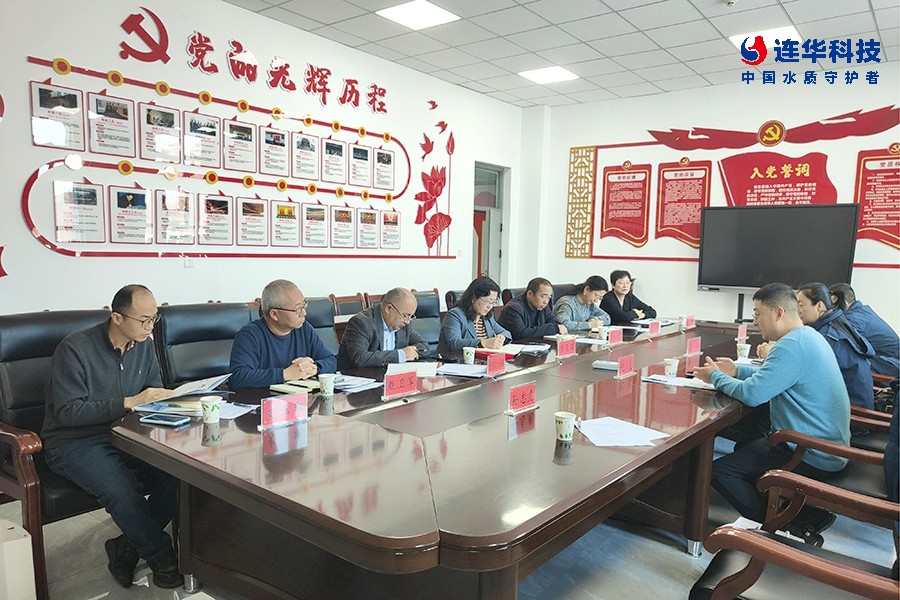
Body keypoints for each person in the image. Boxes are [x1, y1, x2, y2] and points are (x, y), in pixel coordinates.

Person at [41, 285, 184, 589]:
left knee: (180, 473)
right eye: (143, 320)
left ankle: (128, 545)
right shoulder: (75, 348)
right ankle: (161, 555)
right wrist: (128, 402)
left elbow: (151, 393)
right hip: (73, 441)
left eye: (154, 319)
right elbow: (67, 412)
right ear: (117, 317)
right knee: (121, 489)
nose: (150, 327)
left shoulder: (143, 343)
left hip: (126, 434)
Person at [692, 283, 850, 546]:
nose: (755, 321)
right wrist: (737, 371)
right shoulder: (807, 336)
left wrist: (716, 377)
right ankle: (808, 514)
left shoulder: (790, 345)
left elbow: (752, 394)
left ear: (778, 312)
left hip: (810, 450)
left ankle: (789, 526)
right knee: (748, 443)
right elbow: (779, 376)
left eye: (757, 314)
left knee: (720, 472)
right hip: (828, 446)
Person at [229, 279, 336, 388]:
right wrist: (285, 374)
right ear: (274, 314)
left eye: (304, 305)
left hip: (301, 396)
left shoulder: (304, 328)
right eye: (297, 309)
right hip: (264, 397)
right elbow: (238, 377)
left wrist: (315, 367)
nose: (304, 313)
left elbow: (331, 360)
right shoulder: (249, 335)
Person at [796, 283, 875, 411]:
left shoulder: (828, 336)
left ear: (819, 306)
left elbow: (806, 374)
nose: (798, 310)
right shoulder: (837, 322)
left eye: (801, 305)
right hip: (855, 403)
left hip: (851, 412)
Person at [337, 287, 429, 370]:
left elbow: (424, 347)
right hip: (359, 378)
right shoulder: (362, 323)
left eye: (411, 316)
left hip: (390, 377)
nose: (408, 321)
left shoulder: (404, 325)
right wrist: (401, 355)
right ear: (388, 308)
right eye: (405, 315)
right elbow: (360, 358)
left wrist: (410, 352)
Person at [829, 282, 899, 378]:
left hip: (888, 365)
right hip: (887, 361)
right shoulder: (861, 311)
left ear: (842, 302)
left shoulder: (854, 320)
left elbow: (839, 348)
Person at [438, 276, 511, 354]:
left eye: (493, 302)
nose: (490, 306)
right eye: (488, 301)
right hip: (455, 359)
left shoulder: (487, 317)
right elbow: (454, 343)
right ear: (473, 298)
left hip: (482, 360)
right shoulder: (455, 315)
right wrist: (483, 343)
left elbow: (506, 333)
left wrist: (502, 337)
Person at [499, 277, 568, 340]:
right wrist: (553, 328)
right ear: (530, 294)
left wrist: (555, 327)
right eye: (543, 296)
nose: (546, 301)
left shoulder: (543, 306)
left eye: (549, 297)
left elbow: (555, 323)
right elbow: (521, 333)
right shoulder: (513, 308)